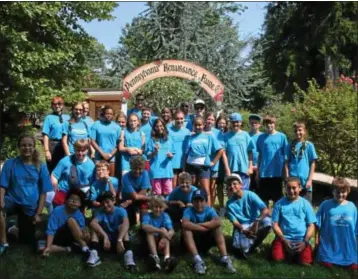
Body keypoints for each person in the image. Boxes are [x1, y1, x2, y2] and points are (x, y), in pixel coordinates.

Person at [0, 134, 53, 254]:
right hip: (12, 200)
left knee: (26, 240)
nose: (27, 148)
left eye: (30, 145)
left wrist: (38, 214)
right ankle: (3, 243)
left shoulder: (41, 166)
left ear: (34, 147)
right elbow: (2, 185)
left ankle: (11, 227)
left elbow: (44, 192)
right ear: (19, 147)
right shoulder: (10, 164)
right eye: (23, 145)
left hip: (29, 206)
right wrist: (1, 199)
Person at [181, 189, 236, 274]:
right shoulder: (188, 210)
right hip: (192, 240)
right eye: (196, 201)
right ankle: (197, 260)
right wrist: (204, 227)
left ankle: (224, 257)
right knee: (186, 230)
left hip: (205, 240)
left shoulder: (209, 210)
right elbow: (185, 224)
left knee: (217, 228)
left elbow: (218, 221)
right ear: (192, 202)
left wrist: (197, 225)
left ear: (206, 202)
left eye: (201, 201)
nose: (199, 204)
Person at [271, 177, 316, 265]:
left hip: (301, 240)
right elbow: (274, 224)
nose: (291, 191)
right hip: (283, 239)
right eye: (288, 188)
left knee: (305, 263)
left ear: (300, 188)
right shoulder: (279, 204)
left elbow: (311, 225)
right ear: (285, 189)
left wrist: (305, 241)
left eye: (294, 188)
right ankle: (287, 254)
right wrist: (284, 240)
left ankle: (296, 256)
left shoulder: (305, 204)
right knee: (277, 260)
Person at [315, 177, 357, 271]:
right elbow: (317, 224)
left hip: (346, 244)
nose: (341, 194)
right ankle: (327, 258)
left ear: (348, 191)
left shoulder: (352, 207)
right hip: (329, 242)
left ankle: (349, 259)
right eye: (337, 192)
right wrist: (317, 239)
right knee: (326, 263)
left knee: (353, 266)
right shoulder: (325, 205)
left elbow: (356, 228)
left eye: (343, 192)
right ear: (333, 191)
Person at [87, 191, 136, 270]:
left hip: (120, 243)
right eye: (103, 204)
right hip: (107, 243)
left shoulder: (121, 211)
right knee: (95, 230)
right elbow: (93, 223)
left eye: (107, 202)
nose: (105, 205)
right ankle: (94, 254)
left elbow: (126, 223)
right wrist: (105, 236)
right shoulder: (101, 212)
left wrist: (119, 240)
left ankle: (128, 256)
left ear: (113, 201)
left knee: (123, 227)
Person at [225, 174, 271, 258]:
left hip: (256, 221)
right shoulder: (229, 204)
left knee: (268, 222)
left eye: (234, 183)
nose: (232, 186)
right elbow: (235, 222)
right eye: (229, 185)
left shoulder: (250, 195)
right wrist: (243, 230)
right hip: (243, 226)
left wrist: (257, 221)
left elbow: (265, 209)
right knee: (241, 249)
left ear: (241, 185)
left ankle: (254, 244)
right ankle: (247, 246)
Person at [184, 116, 223, 206]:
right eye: (196, 125)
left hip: (203, 166)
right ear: (193, 125)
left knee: (206, 190)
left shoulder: (209, 136)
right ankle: (192, 209)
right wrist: (184, 168)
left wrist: (213, 162)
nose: (198, 127)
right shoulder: (190, 137)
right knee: (192, 189)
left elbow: (220, 150)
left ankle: (208, 211)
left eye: (200, 125)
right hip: (191, 165)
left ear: (204, 125)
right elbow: (186, 154)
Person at [42, 189, 90, 257]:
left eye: (77, 200)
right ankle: (69, 249)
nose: (74, 201)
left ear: (80, 204)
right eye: (71, 199)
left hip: (72, 238)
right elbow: (51, 231)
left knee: (71, 220)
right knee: (40, 247)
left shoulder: (80, 215)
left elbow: (81, 234)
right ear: (66, 200)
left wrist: (86, 236)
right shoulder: (57, 210)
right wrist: (48, 246)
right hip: (58, 237)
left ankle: (84, 248)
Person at [51, 139, 95, 207]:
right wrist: (55, 187)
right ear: (74, 149)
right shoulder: (65, 160)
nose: (80, 153)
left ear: (87, 150)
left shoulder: (91, 165)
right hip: (64, 191)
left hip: (80, 194)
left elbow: (93, 183)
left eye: (83, 151)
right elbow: (54, 175)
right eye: (78, 150)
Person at [256, 115, 288, 203]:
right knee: (264, 198)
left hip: (277, 172)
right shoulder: (261, 138)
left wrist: (285, 172)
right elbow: (260, 155)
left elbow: (286, 156)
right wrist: (258, 172)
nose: (269, 125)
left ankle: (276, 215)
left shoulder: (282, 136)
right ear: (264, 125)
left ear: (275, 124)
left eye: (271, 123)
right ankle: (265, 215)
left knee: (277, 198)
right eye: (267, 123)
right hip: (264, 172)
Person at [141, 197, 177, 272]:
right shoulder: (147, 215)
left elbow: (172, 230)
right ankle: (155, 258)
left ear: (164, 207)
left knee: (165, 229)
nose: (158, 209)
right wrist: (160, 231)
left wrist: (165, 237)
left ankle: (167, 259)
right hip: (150, 242)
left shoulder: (165, 216)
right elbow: (144, 226)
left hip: (163, 242)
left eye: (160, 207)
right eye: (155, 207)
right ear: (151, 207)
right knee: (150, 232)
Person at [284, 122, 317, 203]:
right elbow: (286, 163)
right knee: (292, 204)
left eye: (300, 130)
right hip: (293, 181)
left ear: (304, 131)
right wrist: (287, 178)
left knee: (306, 205)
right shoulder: (289, 146)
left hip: (305, 181)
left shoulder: (309, 145)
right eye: (295, 131)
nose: (298, 132)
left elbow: (313, 162)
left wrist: (310, 179)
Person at [223, 113, 253, 191]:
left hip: (244, 169)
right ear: (230, 123)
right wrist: (227, 169)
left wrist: (250, 167)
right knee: (232, 191)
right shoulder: (226, 136)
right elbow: (224, 154)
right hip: (232, 168)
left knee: (244, 192)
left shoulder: (245, 135)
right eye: (233, 122)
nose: (235, 124)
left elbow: (250, 152)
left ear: (241, 122)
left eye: (237, 122)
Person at [146, 118, 175, 198]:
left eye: (161, 126)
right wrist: (155, 152)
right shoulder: (151, 140)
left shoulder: (169, 138)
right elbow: (148, 156)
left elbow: (173, 152)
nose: (159, 128)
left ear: (164, 126)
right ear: (154, 128)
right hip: (156, 171)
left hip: (167, 171)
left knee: (168, 193)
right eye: (157, 126)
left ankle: (168, 210)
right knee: (157, 194)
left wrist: (171, 155)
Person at [120, 156, 151, 227]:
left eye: (140, 169)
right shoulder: (126, 177)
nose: (137, 171)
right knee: (130, 222)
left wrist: (129, 201)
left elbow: (143, 192)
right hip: (128, 197)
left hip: (133, 200)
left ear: (143, 168)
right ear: (130, 167)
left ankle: (143, 228)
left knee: (144, 212)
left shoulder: (145, 173)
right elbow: (135, 196)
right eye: (135, 168)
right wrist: (150, 198)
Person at [90, 105, 121, 176]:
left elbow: (118, 144)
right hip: (99, 156)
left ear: (113, 115)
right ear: (103, 114)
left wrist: (110, 155)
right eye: (107, 113)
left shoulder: (117, 127)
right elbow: (92, 141)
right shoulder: (96, 124)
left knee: (111, 178)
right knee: (99, 177)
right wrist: (102, 153)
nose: (108, 115)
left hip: (111, 157)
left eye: (110, 114)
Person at [42, 96, 70, 173]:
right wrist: (47, 150)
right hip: (53, 145)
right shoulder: (49, 118)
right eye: (54, 104)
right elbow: (45, 135)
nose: (57, 106)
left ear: (63, 105)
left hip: (66, 145)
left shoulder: (68, 117)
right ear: (52, 105)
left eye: (59, 103)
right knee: (53, 169)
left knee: (65, 167)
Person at [168, 110, 191, 188]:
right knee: (173, 186)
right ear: (174, 119)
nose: (179, 120)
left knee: (183, 186)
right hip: (172, 163)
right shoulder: (168, 130)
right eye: (177, 118)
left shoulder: (187, 132)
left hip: (184, 163)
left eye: (181, 118)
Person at [204, 112, 222, 208]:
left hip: (214, 164)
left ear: (214, 121)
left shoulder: (218, 132)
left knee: (212, 187)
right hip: (203, 163)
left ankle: (211, 207)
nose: (210, 121)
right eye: (208, 119)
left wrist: (214, 161)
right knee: (204, 187)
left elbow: (221, 149)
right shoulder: (201, 130)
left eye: (212, 119)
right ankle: (205, 205)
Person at [215, 115, 228, 216]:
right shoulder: (214, 133)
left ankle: (226, 206)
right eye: (220, 123)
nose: (222, 125)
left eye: (224, 123)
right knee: (216, 185)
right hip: (216, 163)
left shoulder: (228, 135)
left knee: (224, 185)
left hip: (226, 163)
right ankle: (219, 205)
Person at [248, 114, 262, 192]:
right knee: (249, 188)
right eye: (252, 122)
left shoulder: (263, 136)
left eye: (256, 123)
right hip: (248, 166)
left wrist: (258, 166)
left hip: (259, 166)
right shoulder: (246, 135)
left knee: (259, 189)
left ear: (259, 124)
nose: (253, 124)